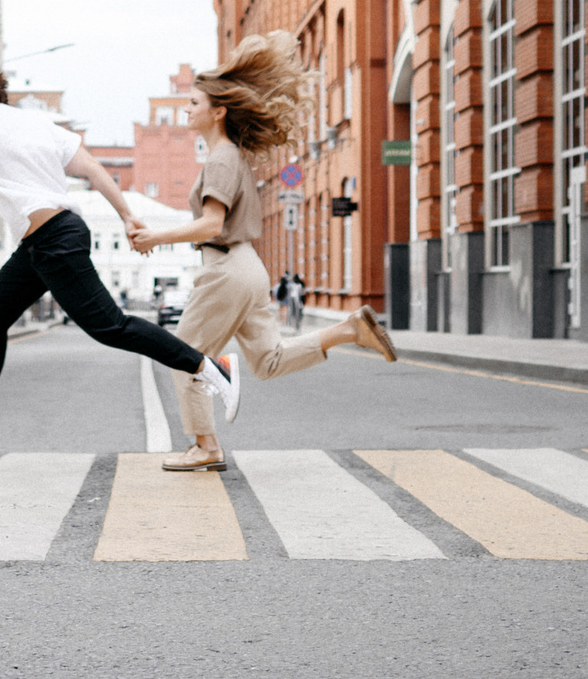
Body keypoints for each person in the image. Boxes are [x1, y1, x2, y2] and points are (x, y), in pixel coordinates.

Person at [0, 62, 240, 445]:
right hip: (44, 241)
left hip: (54, 241)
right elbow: (95, 170)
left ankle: (210, 368)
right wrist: (127, 216)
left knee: (110, 326)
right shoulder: (36, 124)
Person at [128, 33, 396, 472]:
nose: (186, 109)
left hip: (227, 268)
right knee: (268, 362)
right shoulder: (231, 156)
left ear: (218, 112)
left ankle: (205, 445)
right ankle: (348, 329)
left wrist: (156, 238)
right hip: (247, 267)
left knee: (183, 356)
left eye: (194, 103)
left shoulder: (220, 160)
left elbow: (213, 225)